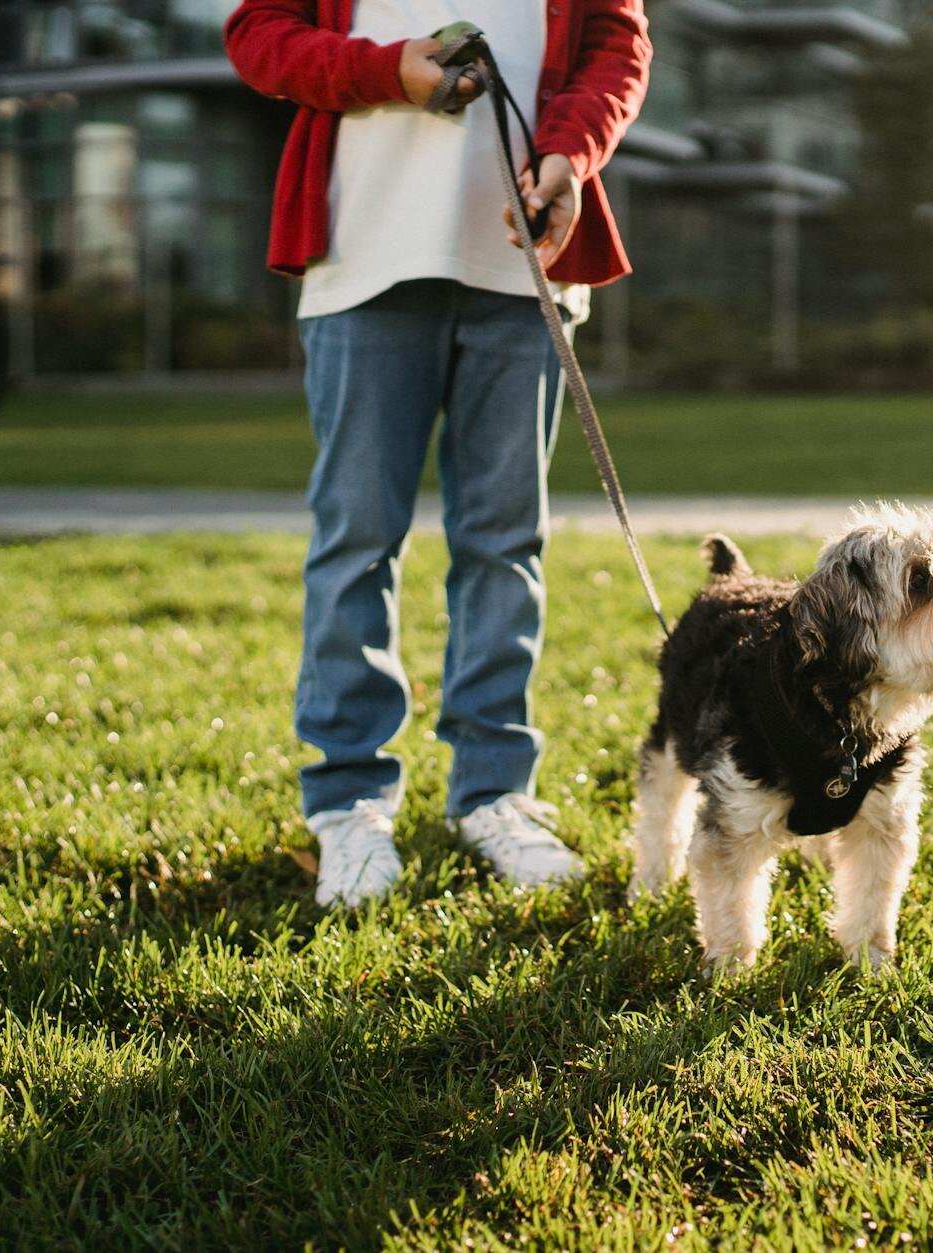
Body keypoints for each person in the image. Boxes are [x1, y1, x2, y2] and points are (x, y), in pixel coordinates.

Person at [224, 0, 649, 906]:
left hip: (520, 267)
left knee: (504, 543)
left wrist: (570, 157)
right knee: (357, 540)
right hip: (364, 255)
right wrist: (389, 72)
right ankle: (349, 805)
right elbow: (257, 35)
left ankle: (495, 795)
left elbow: (617, 46)